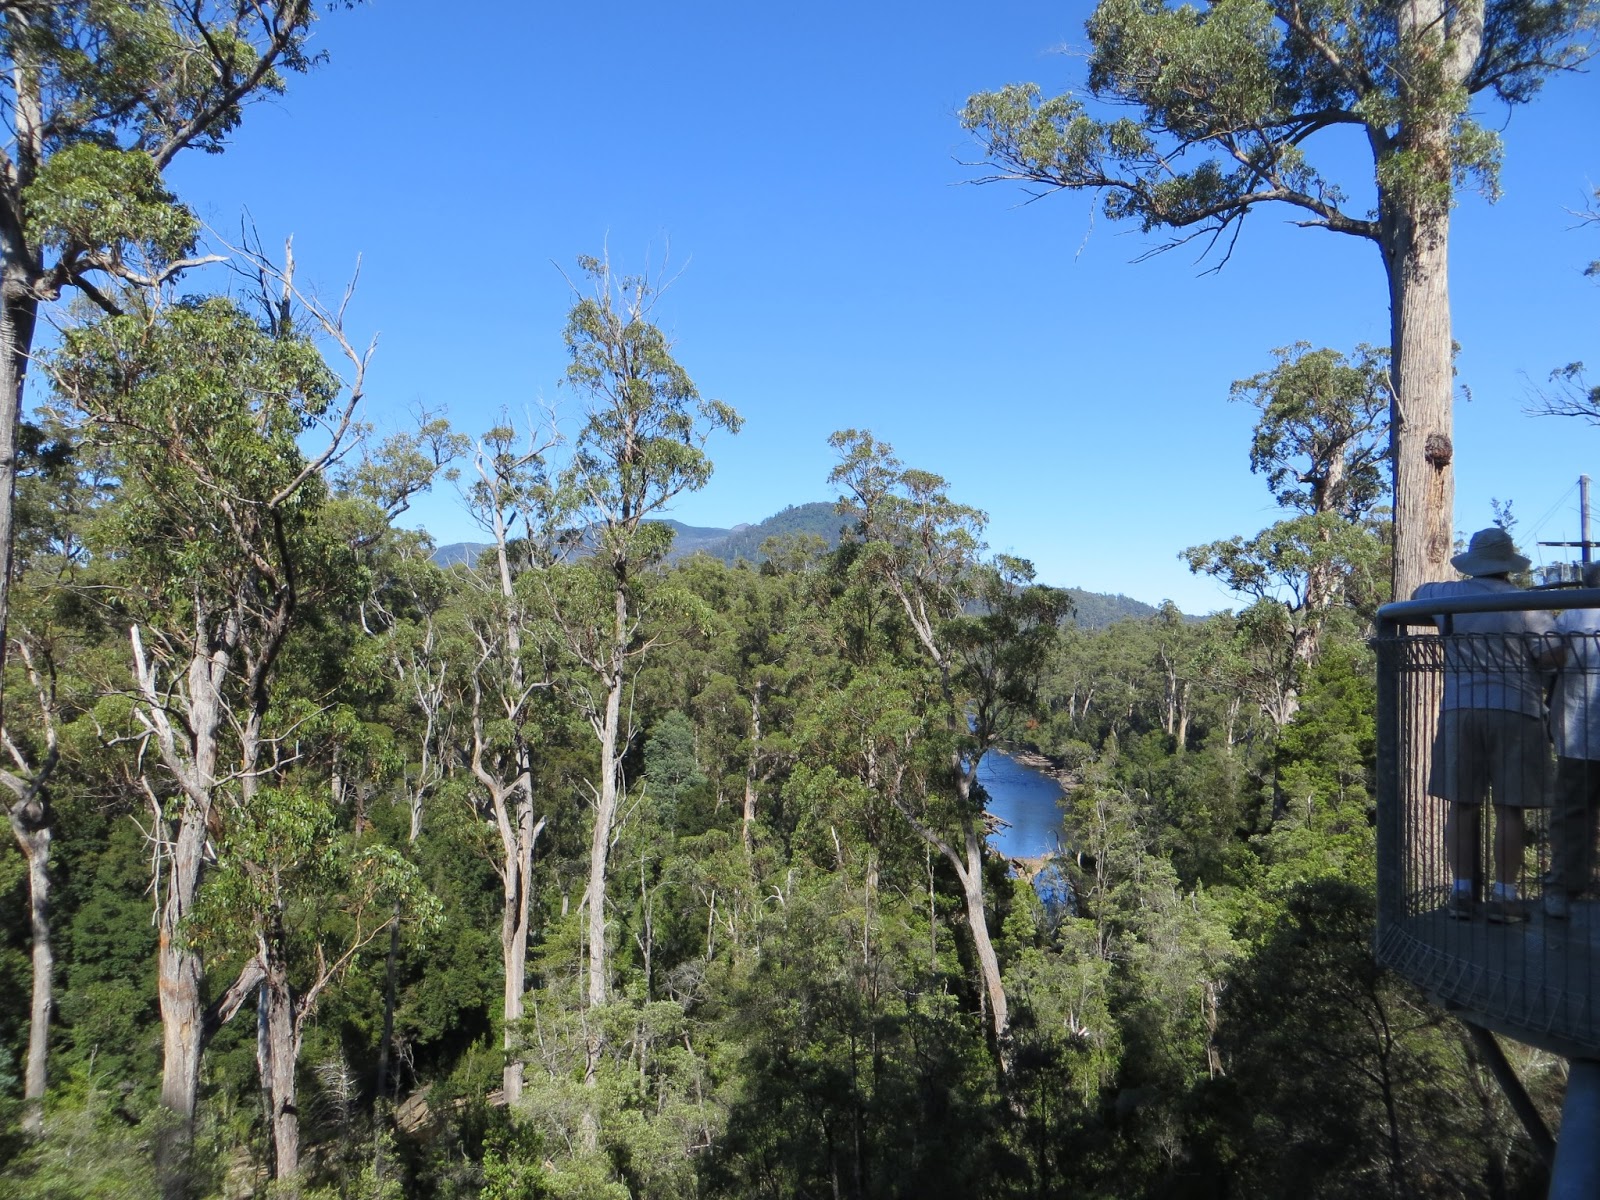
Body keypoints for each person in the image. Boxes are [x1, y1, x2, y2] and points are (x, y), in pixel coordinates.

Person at [1413, 527, 1554, 922]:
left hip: (1460, 709)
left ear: (1473, 563)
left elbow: (1417, 595)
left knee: (1462, 803)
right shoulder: (1527, 606)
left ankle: (1461, 894)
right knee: (1510, 808)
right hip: (1516, 710)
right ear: (1509, 566)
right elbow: (1549, 655)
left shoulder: (1449, 598)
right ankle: (1504, 896)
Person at [1545, 561, 1600, 919]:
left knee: (1570, 811)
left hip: (1579, 731)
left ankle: (1564, 887)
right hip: (1581, 729)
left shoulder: (1571, 617)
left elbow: (1550, 667)